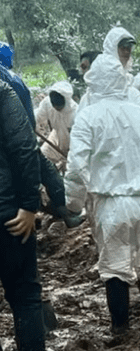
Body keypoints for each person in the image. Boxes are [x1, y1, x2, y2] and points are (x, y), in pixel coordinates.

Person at [64, 52, 140, 334]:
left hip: (110, 203)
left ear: (93, 82)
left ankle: (121, 329)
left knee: (114, 266)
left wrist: (72, 204)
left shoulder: (88, 117)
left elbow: (76, 167)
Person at [0, 81, 60, 351]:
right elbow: (25, 148)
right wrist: (28, 204)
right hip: (9, 215)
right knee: (24, 292)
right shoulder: (2, 92)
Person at [0, 48, 82, 229]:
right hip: (23, 139)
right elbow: (34, 117)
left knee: (43, 174)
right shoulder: (12, 80)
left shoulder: (75, 112)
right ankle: (57, 210)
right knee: (47, 173)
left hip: (19, 141)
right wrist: (33, 135)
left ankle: (59, 210)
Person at [77, 27, 140, 114]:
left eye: (129, 48)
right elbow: (119, 89)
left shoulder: (132, 91)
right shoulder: (103, 75)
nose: (127, 52)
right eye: (123, 47)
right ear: (112, 48)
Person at [35, 81, 78, 166]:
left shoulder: (75, 113)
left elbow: (78, 140)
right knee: (42, 158)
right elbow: (38, 119)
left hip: (72, 144)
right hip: (56, 137)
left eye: (58, 105)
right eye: (53, 105)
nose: (55, 107)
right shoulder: (47, 103)